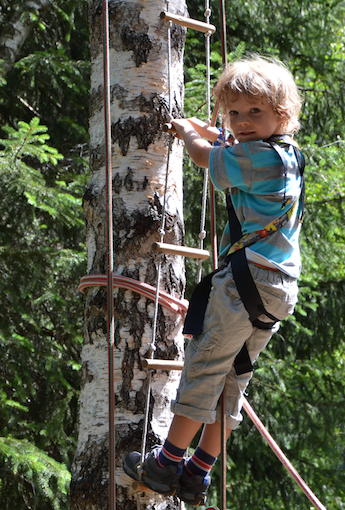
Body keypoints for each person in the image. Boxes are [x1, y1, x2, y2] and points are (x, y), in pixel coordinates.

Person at [123, 56, 305, 506]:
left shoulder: (256, 156)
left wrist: (188, 135)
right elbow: (232, 145)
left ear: (281, 114)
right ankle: (198, 472)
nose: (242, 122)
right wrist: (213, 131)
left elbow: (210, 157)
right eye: (234, 113)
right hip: (275, 290)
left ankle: (166, 463)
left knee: (204, 368)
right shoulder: (287, 155)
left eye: (254, 113)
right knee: (233, 377)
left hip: (246, 283)